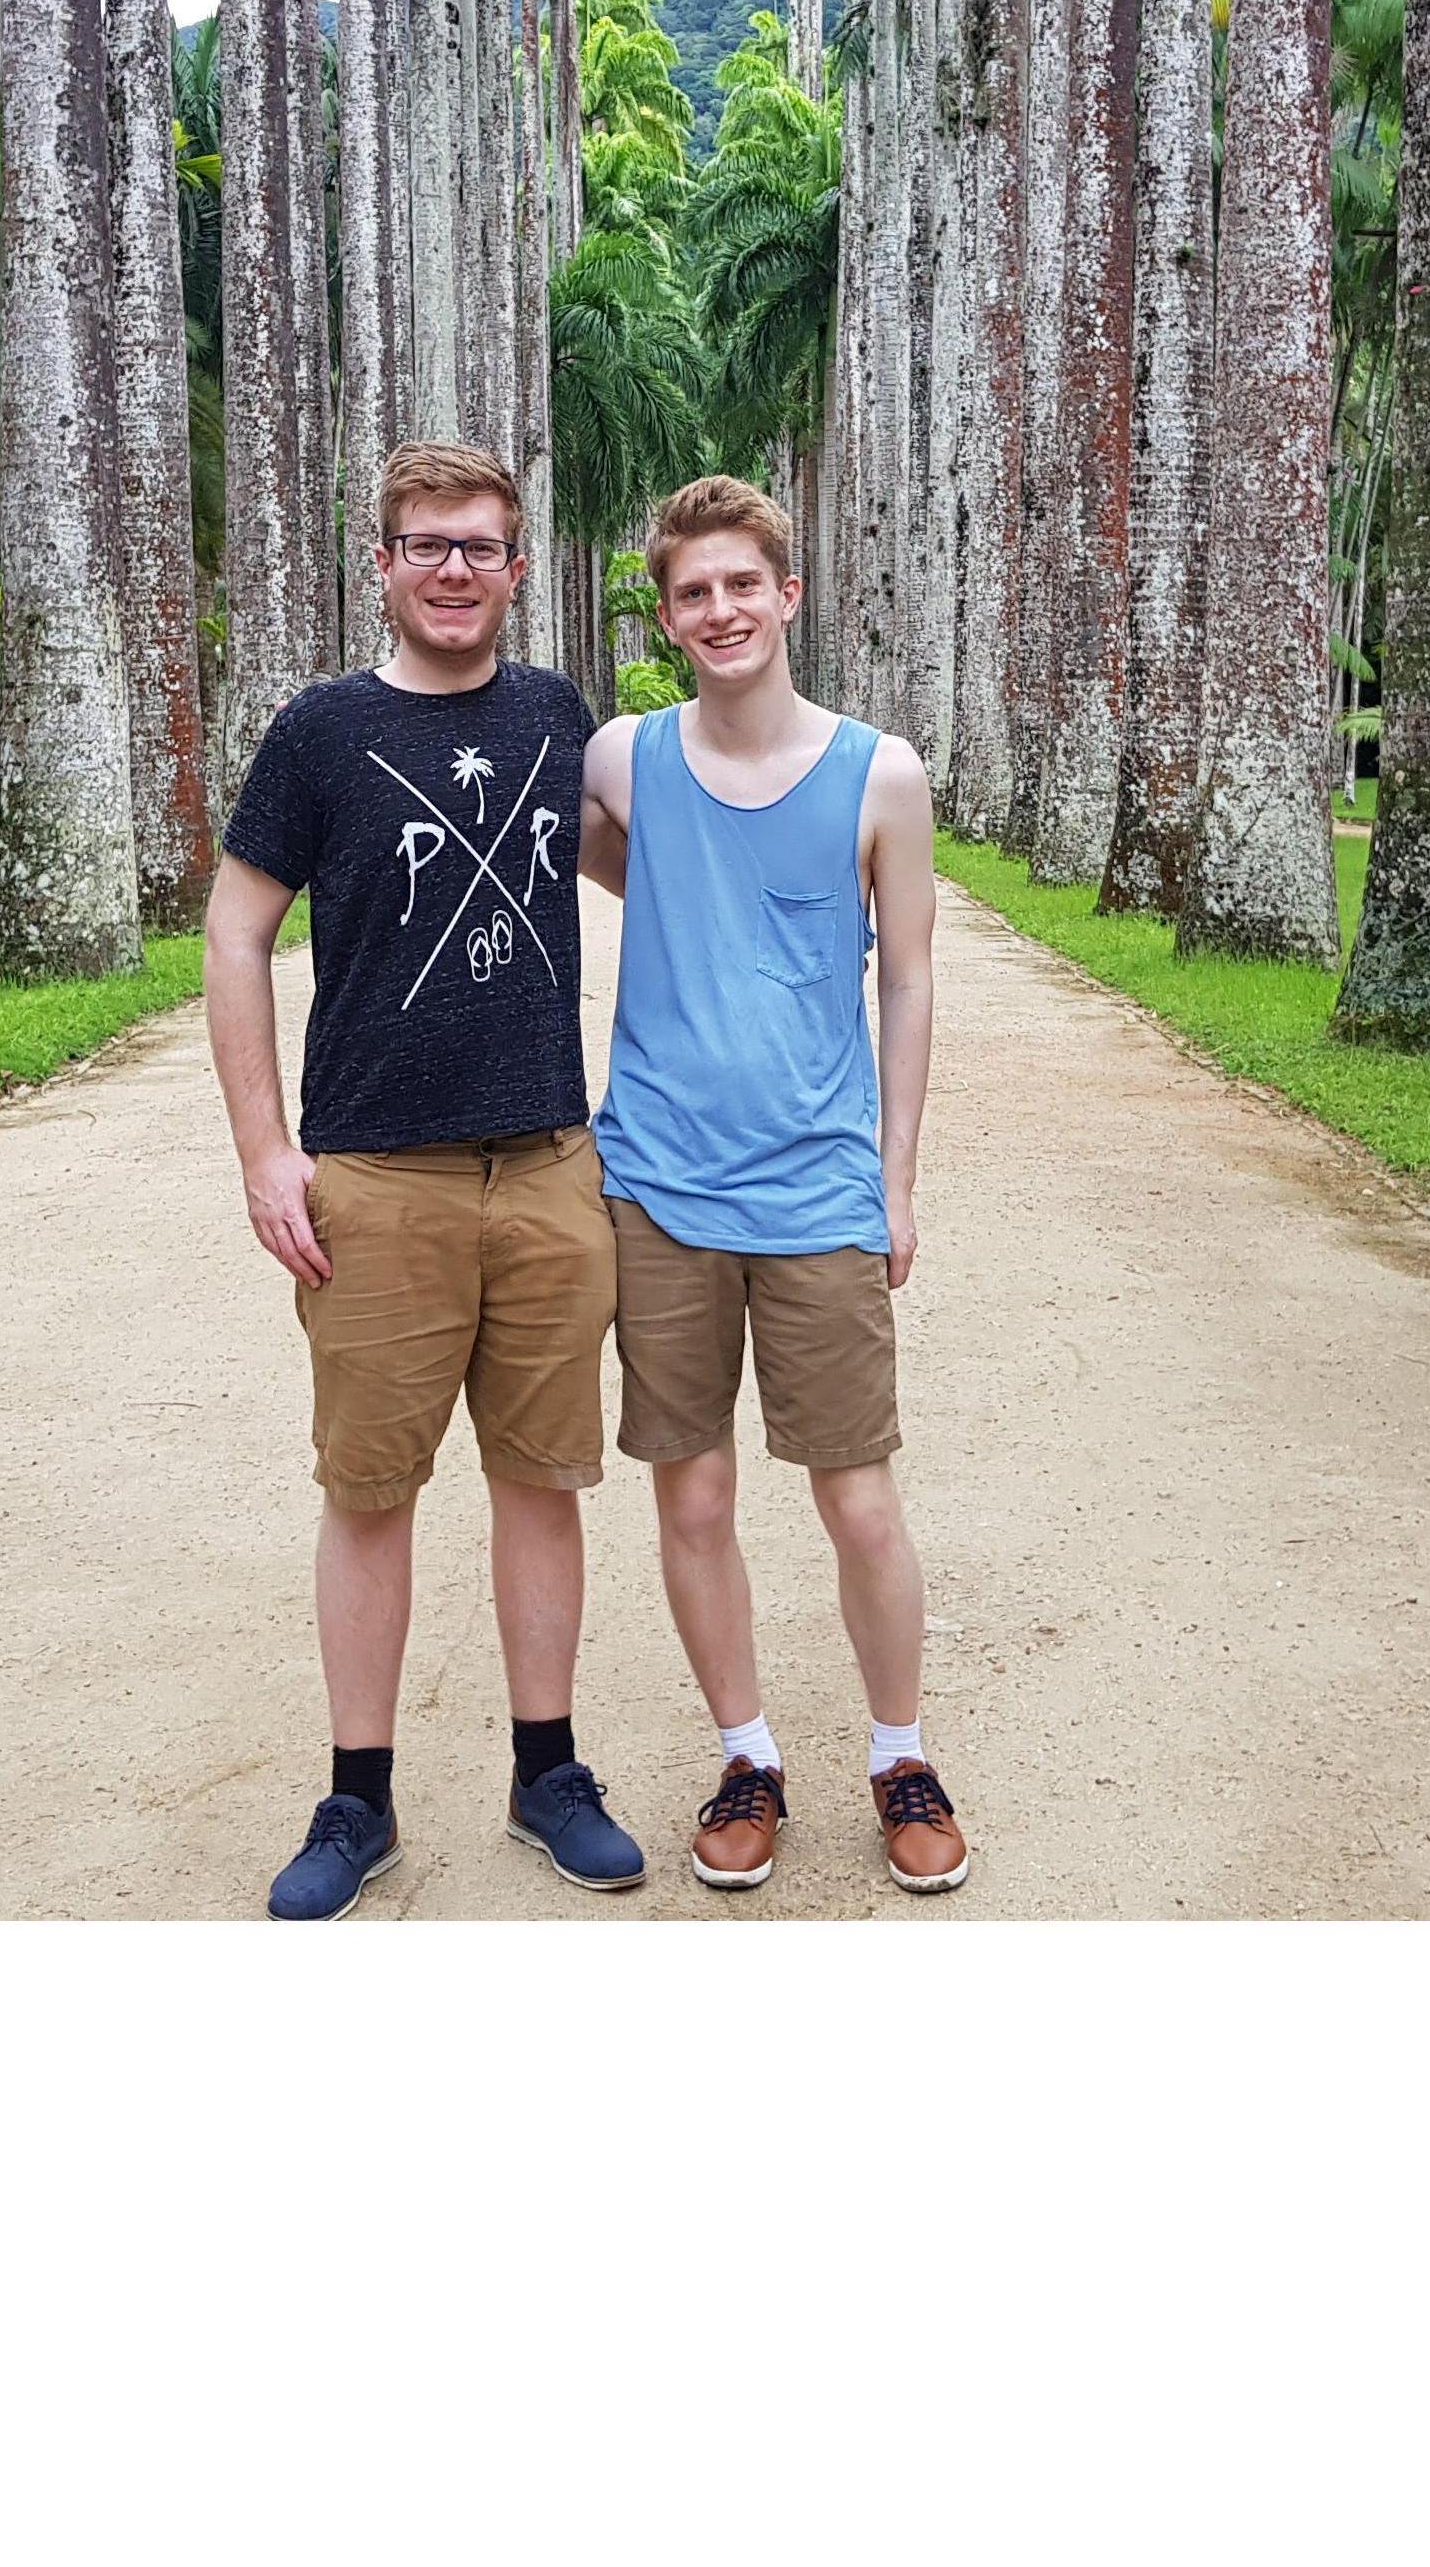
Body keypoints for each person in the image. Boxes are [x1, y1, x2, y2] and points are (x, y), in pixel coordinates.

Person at [204, 440, 645, 1921]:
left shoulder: (556, 716)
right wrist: (266, 1150)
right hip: (378, 1178)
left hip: (548, 1166)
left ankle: (547, 1774)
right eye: (427, 545)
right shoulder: (322, 733)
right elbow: (236, 933)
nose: (455, 570)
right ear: (382, 562)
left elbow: (637, 865)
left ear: (518, 569)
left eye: (480, 547)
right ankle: (359, 1797)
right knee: (370, 1491)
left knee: (543, 1481)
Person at [580, 474, 967, 1896]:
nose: (722, 608)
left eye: (744, 582)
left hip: (818, 1193)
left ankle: (900, 1755)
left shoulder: (881, 775)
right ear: (668, 618)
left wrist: (895, 1179)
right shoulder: (625, 758)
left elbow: (908, 981)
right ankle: (747, 1757)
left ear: (788, 596)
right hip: (659, 1189)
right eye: (694, 591)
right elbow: (611, 868)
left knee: (859, 1502)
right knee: (692, 1501)